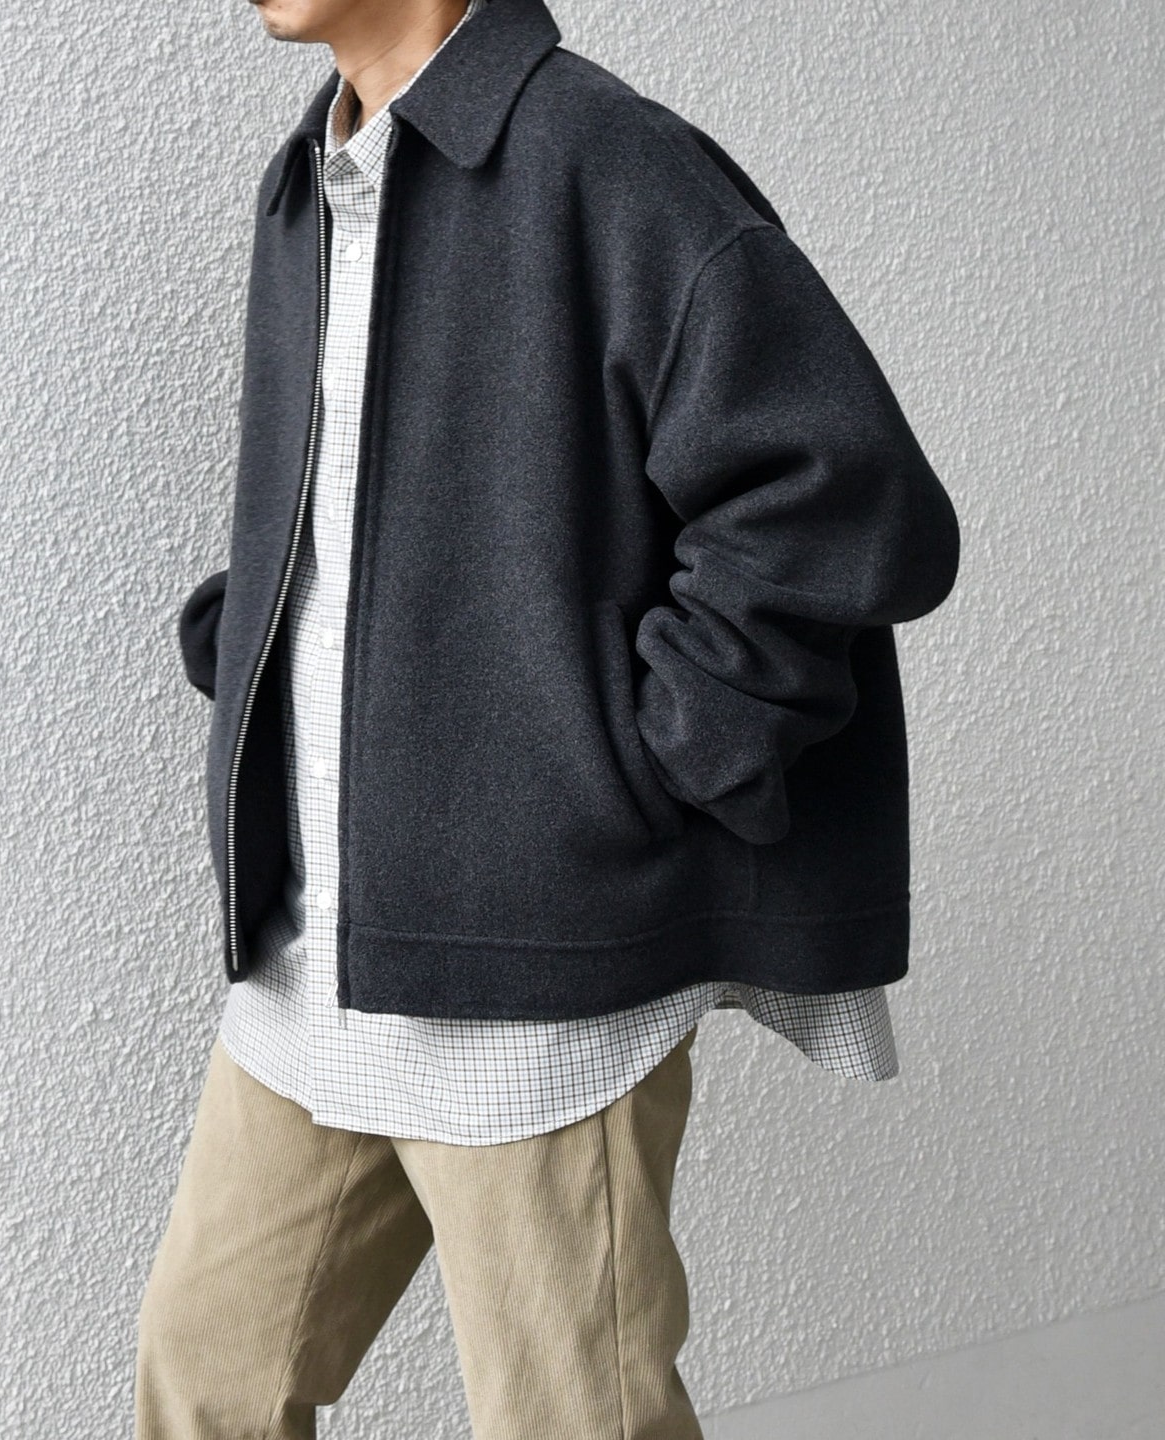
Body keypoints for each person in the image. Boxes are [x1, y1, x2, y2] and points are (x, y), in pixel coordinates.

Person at [135, 0, 961, 1434]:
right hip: (315, 953)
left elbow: (841, 491)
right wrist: (264, 637)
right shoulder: (311, 179)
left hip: (536, 975)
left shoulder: (608, 159)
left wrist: (641, 758)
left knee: (573, 1419)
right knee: (203, 1380)